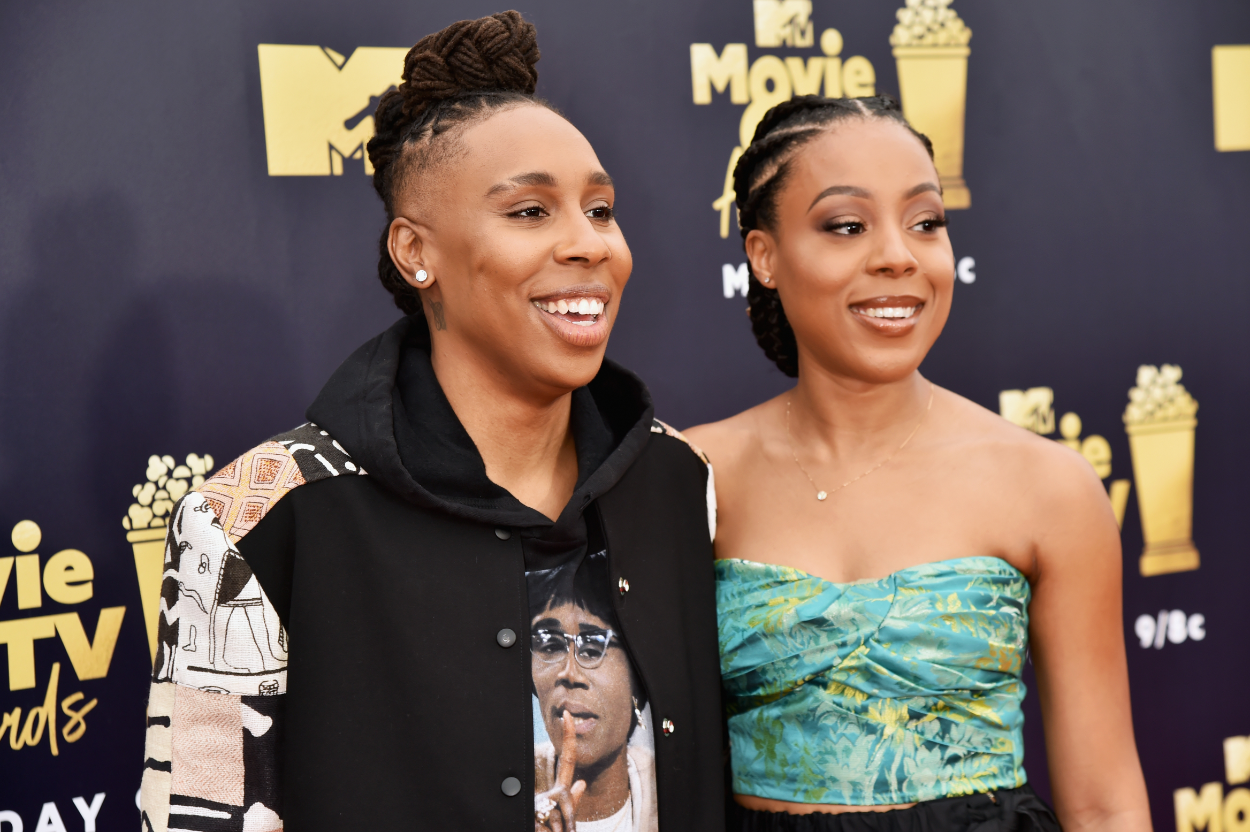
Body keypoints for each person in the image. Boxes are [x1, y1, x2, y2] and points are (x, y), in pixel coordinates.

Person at [137, 12, 724, 831]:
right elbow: (199, 815)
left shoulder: (676, 479)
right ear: (417, 252)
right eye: (529, 212)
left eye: (600, 208)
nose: (589, 243)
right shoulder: (250, 520)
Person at [685, 95, 1152, 832]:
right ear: (764, 256)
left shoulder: (1047, 485)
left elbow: (1103, 804)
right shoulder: (690, 475)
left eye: (925, 222)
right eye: (846, 226)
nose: (899, 255)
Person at [529, 551, 658, 832]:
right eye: (549, 645)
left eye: (592, 647)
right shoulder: (499, 786)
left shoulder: (678, 784)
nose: (568, 674)